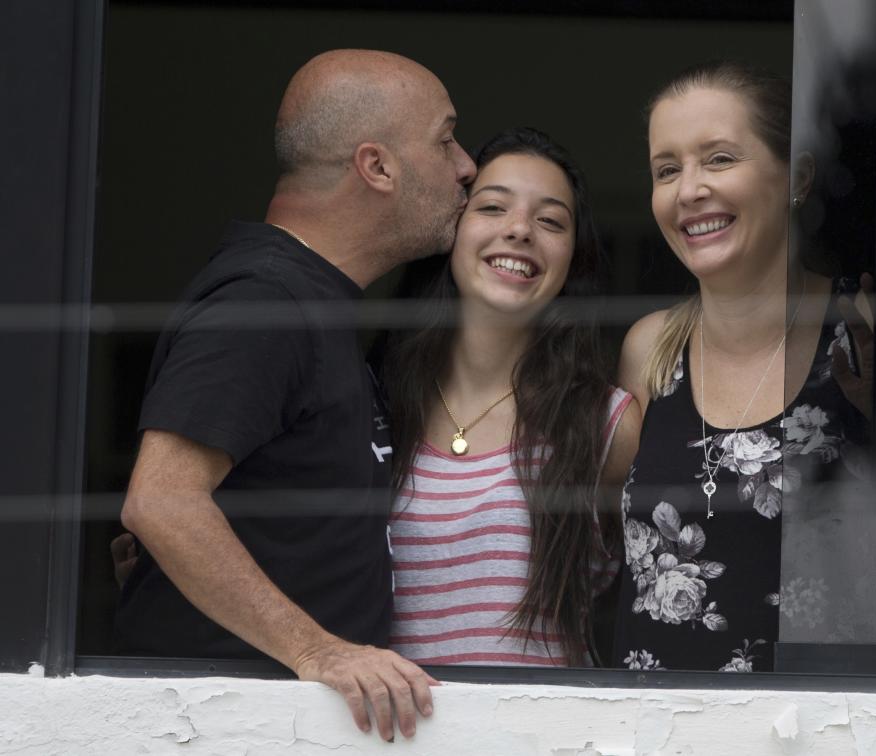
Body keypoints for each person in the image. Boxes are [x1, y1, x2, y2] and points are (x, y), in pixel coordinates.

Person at [114, 49, 476, 742]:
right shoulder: (265, 303)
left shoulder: (312, 303)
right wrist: (320, 651)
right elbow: (161, 501)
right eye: (445, 138)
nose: (465, 164)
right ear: (377, 167)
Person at [612, 61, 872, 673]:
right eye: (666, 170)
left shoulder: (861, 331)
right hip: (650, 728)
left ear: (797, 179)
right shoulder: (650, 348)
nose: (688, 190)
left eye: (720, 159)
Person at [383, 127, 641, 667]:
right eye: (493, 207)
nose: (520, 230)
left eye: (550, 221)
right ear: (451, 229)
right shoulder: (375, 403)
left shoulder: (607, 422)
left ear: (574, 258)